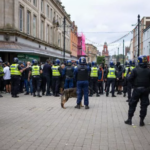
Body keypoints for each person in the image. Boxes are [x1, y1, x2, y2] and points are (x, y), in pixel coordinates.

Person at [125, 55, 150, 126]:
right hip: (146, 90)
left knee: (132, 104)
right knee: (144, 105)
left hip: (136, 89)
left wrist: (133, 84)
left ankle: (129, 119)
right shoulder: (149, 71)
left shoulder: (135, 70)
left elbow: (129, 79)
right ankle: (141, 121)